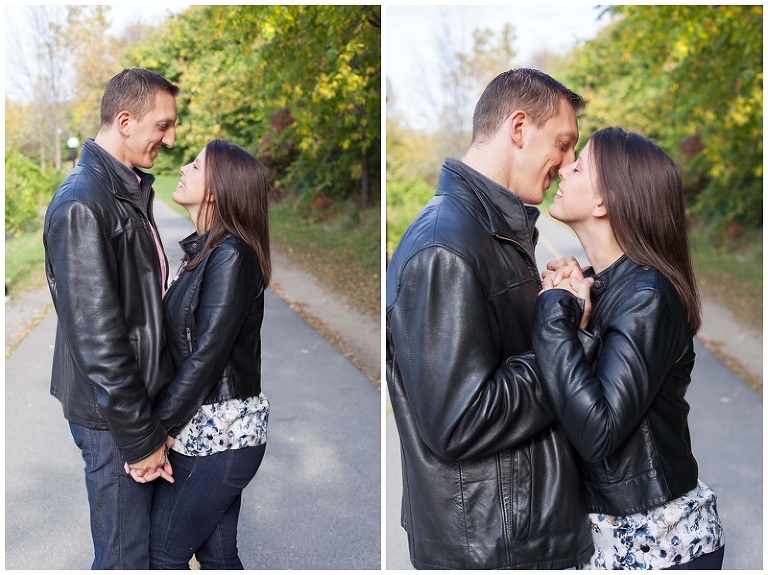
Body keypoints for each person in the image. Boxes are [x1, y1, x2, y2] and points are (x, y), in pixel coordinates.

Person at [385, 68, 594, 569]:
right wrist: (569, 337)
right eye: (563, 145)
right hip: (492, 546)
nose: (567, 166)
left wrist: (558, 301)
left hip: (515, 536)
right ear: (518, 129)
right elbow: (459, 421)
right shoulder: (446, 246)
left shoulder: (490, 230)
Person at [533, 127, 725, 570]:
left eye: (578, 167)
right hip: (608, 541)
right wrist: (572, 306)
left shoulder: (647, 295)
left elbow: (597, 432)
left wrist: (552, 315)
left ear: (604, 203)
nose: (564, 167)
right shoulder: (599, 284)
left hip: (661, 545)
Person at [43, 68, 179, 569]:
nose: (171, 138)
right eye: (162, 126)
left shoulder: (122, 191)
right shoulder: (84, 202)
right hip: (113, 418)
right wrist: (141, 438)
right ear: (125, 121)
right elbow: (100, 340)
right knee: (124, 558)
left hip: (132, 407)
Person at [141, 139, 272, 569]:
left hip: (220, 436)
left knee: (163, 555)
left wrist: (156, 434)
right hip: (208, 432)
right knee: (217, 555)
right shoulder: (206, 252)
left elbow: (206, 359)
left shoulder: (231, 255)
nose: (182, 167)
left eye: (195, 165)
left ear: (216, 189)